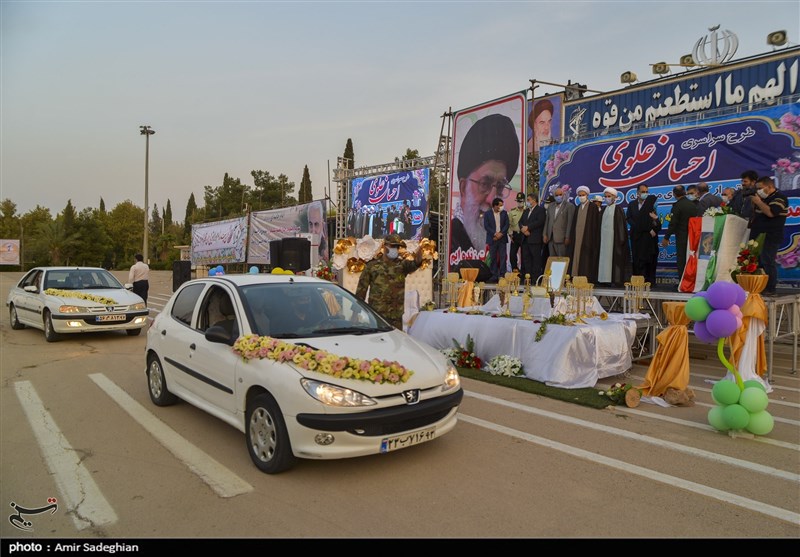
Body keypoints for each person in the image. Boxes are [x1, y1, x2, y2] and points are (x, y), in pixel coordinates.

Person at [450, 113, 520, 262]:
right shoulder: (451, 237)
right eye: (484, 184)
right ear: (463, 187)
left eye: (500, 187)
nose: (491, 199)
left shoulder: (502, 237)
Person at [356, 234, 423, 329]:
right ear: (385, 246)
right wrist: (355, 312)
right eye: (392, 246)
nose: (395, 249)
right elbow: (361, 291)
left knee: (397, 338)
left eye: (397, 247)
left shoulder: (402, 265)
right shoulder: (372, 266)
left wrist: (420, 252)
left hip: (396, 316)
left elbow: (416, 263)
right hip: (377, 315)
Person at [749, 176, 789, 294]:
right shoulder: (763, 198)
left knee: (767, 260)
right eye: (757, 189)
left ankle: (770, 288)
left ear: (770, 186)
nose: (758, 191)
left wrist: (758, 202)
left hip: (771, 235)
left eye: (760, 188)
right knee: (758, 262)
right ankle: (759, 286)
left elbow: (771, 213)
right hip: (758, 235)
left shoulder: (779, 198)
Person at [661, 185, 699, 283]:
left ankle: (682, 282)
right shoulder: (692, 205)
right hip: (693, 236)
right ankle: (691, 282)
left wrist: (666, 237)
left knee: (682, 259)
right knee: (691, 259)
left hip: (682, 236)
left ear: (674, 194)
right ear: (684, 193)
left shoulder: (677, 206)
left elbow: (673, 223)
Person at [597, 187, 630, 286]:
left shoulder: (618, 209)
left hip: (614, 241)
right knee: (604, 260)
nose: (607, 198)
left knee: (614, 260)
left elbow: (621, 226)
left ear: (614, 197)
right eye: (606, 196)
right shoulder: (603, 210)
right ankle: (604, 280)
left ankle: (615, 280)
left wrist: (620, 240)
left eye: (609, 196)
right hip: (604, 241)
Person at [570, 185, 601, 283]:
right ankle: (576, 276)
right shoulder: (577, 207)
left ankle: (587, 278)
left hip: (588, 237)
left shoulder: (593, 207)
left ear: (587, 195)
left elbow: (596, 224)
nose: (581, 197)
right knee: (576, 255)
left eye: (583, 195)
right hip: (577, 237)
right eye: (579, 195)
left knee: (587, 258)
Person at [632, 194, 661, 285]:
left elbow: (658, 227)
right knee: (643, 262)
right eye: (655, 202)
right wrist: (649, 229)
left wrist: (656, 219)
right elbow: (639, 226)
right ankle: (642, 281)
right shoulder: (642, 213)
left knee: (652, 261)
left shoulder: (654, 213)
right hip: (643, 244)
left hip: (652, 243)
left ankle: (650, 281)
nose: (656, 204)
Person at [520, 192, 546, 283]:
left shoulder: (540, 210)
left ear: (534, 200)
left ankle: (535, 279)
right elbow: (520, 222)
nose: (527, 202)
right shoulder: (526, 211)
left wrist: (528, 227)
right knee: (526, 260)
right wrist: (523, 229)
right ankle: (528, 278)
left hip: (535, 239)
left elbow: (540, 221)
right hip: (525, 239)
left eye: (528, 200)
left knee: (536, 260)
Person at [543, 186, 575, 258]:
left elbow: (570, 223)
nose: (558, 197)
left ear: (563, 195)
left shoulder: (569, 206)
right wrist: (545, 234)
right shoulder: (551, 206)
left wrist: (567, 237)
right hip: (550, 238)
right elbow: (547, 221)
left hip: (562, 238)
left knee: (561, 259)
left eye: (560, 195)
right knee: (552, 259)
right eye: (556, 195)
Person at [483, 197, 510, 282]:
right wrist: (495, 234)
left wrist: (501, 233)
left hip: (502, 238)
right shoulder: (487, 214)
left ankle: (502, 275)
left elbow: (507, 224)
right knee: (493, 257)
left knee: (503, 257)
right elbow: (486, 226)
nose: (502, 207)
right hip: (492, 239)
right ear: (495, 206)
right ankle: (494, 275)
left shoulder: (504, 213)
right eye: (500, 205)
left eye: (502, 205)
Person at [626, 183, 650, 276]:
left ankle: (645, 278)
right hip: (635, 235)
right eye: (643, 192)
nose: (645, 193)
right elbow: (628, 217)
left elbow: (652, 219)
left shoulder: (650, 204)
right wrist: (637, 226)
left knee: (645, 258)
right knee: (636, 257)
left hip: (646, 235)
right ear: (637, 193)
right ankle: (636, 278)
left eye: (646, 192)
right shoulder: (632, 204)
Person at [508, 191, 526, 272]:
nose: (519, 203)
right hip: (515, 235)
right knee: (512, 254)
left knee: (524, 254)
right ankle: (515, 270)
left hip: (524, 234)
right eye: (518, 201)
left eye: (521, 201)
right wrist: (510, 234)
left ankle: (523, 271)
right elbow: (509, 224)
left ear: (524, 201)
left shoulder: (527, 210)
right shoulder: (512, 212)